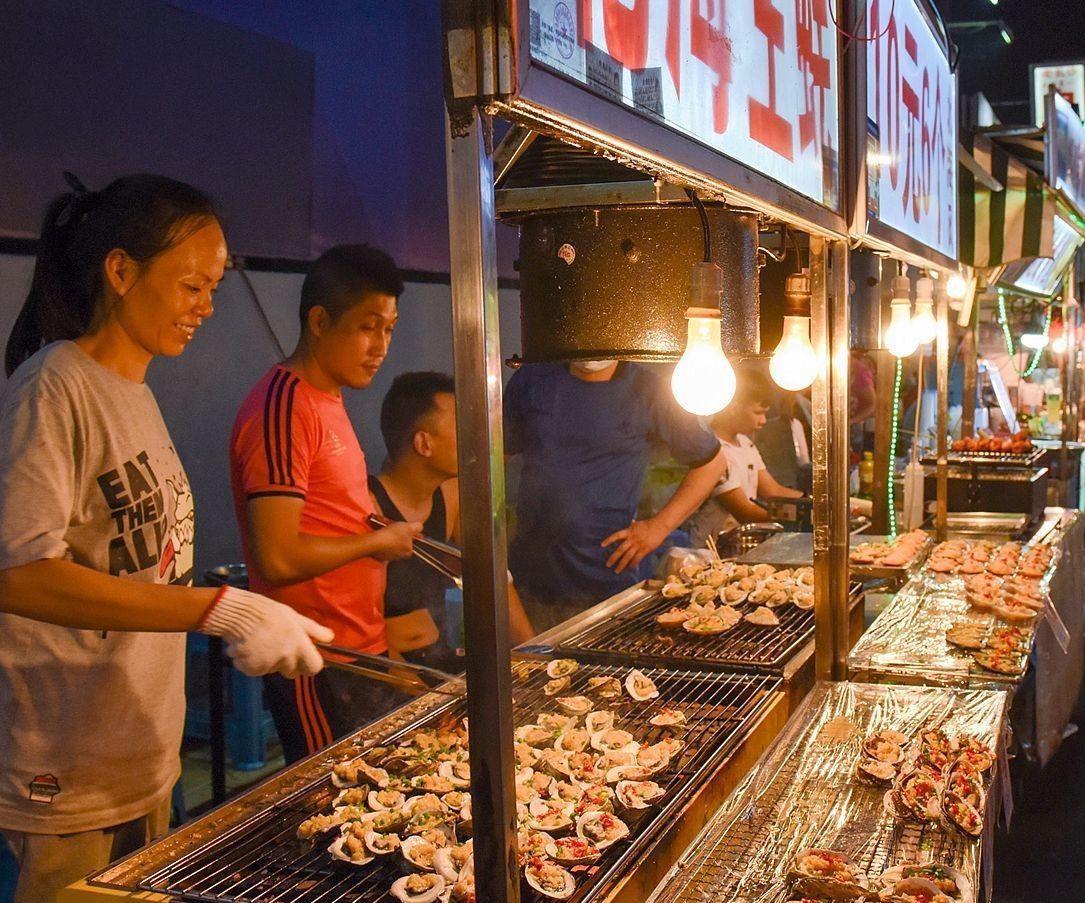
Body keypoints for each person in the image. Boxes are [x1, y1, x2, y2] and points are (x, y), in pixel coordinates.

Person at [0, 174, 330, 903]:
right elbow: (19, 575)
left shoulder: (139, 394)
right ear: (121, 270)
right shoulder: (54, 386)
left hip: (139, 763)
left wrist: (235, 610)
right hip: (52, 779)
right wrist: (215, 607)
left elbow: (135, 567)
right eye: (193, 282)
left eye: (215, 285)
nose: (206, 305)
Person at [231, 245, 422, 762]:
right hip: (316, 659)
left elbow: (327, 513)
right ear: (319, 320)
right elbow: (278, 556)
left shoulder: (328, 399)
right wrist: (377, 540)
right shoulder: (283, 406)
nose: (381, 345)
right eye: (367, 326)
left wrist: (374, 529)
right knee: (333, 811)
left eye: (389, 328)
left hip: (360, 647)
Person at [504, 360, 726, 630]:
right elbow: (494, 459)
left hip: (608, 581)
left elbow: (712, 463)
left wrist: (659, 527)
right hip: (530, 580)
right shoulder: (532, 378)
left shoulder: (649, 387)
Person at [371, 371, 532, 669]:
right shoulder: (368, 507)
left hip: (439, 660)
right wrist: (418, 692)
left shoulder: (452, 495)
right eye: (460, 426)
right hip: (391, 674)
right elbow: (353, 627)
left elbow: (491, 576)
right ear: (424, 444)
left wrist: (533, 653)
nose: (473, 436)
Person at [685, 374, 808, 549]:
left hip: (740, 545)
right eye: (758, 413)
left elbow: (773, 490)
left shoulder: (745, 443)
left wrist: (812, 502)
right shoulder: (714, 452)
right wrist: (799, 517)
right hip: (711, 551)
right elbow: (745, 511)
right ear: (734, 408)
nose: (763, 420)